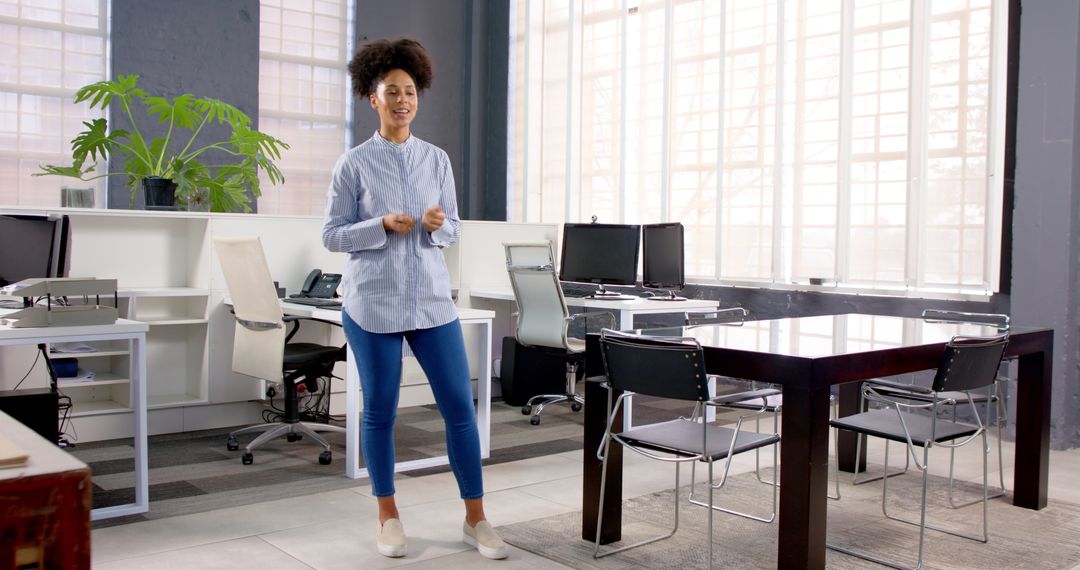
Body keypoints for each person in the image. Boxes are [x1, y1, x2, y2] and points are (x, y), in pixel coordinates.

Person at [322, 38, 507, 560]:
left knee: (459, 408)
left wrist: (439, 225)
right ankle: (388, 515)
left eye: (410, 91)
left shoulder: (436, 159)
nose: (403, 100)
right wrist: (378, 224)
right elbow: (332, 235)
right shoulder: (352, 164)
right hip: (371, 303)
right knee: (379, 412)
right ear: (372, 98)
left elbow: (453, 226)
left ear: (417, 97)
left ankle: (476, 518)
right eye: (392, 92)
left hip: (429, 301)